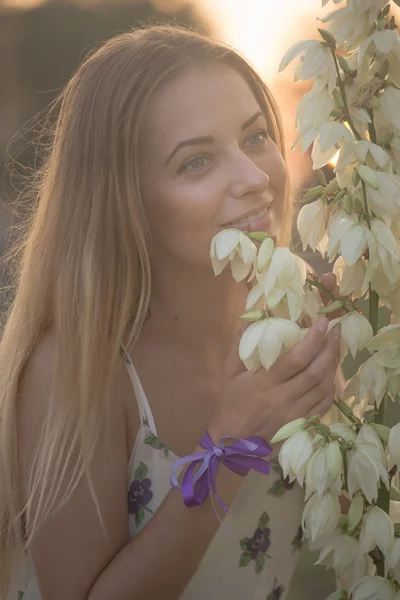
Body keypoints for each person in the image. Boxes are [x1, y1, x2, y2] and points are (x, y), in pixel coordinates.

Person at [0, 24, 343, 600]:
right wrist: (233, 441)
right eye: (197, 162)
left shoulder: (298, 313)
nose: (256, 179)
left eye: (256, 137)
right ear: (124, 200)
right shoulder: (81, 369)